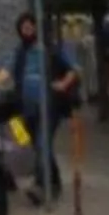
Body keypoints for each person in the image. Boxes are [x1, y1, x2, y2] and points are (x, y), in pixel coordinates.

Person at [8, 11, 82, 203]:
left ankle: (41, 186)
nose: (27, 31)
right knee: (40, 147)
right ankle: (54, 183)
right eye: (24, 28)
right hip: (26, 109)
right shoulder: (19, 52)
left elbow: (74, 69)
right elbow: (8, 72)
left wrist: (63, 84)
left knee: (42, 144)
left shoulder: (49, 49)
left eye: (30, 27)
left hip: (49, 106)